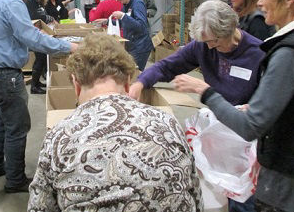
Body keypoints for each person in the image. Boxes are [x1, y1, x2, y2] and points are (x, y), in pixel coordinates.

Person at [172, 0, 294, 212]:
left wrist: (206, 92)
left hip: (288, 183)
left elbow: (250, 127)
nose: (260, 1)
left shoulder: (289, 52)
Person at [28, 33, 203, 211]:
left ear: (76, 84)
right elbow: (195, 195)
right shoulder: (167, 123)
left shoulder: (58, 137)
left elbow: (39, 205)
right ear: (128, 81)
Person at [130, 0, 265, 212]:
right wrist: (140, 82)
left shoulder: (258, 54)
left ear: (230, 30)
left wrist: (253, 105)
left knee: (242, 198)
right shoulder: (204, 45)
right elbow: (167, 66)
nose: (210, 48)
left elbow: (266, 104)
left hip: (243, 141)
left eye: (214, 42)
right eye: (206, 43)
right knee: (212, 192)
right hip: (216, 133)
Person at [0, 0, 78, 193]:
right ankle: (15, 180)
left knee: (4, 120)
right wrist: (68, 46)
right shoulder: (12, 2)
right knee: (17, 127)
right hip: (3, 75)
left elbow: (16, 33)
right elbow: (32, 39)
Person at [108, 0, 153, 71]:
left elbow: (141, 26)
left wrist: (123, 17)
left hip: (140, 47)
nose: (116, 0)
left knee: (133, 74)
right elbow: (124, 23)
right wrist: (107, 21)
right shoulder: (125, 4)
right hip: (132, 44)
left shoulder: (138, 4)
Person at [25, 0, 55, 94]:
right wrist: (48, 18)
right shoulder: (30, 1)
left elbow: (43, 15)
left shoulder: (39, 2)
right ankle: (34, 87)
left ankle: (36, 82)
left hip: (40, 34)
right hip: (34, 35)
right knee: (40, 59)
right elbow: (35, 16)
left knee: (41, 59)